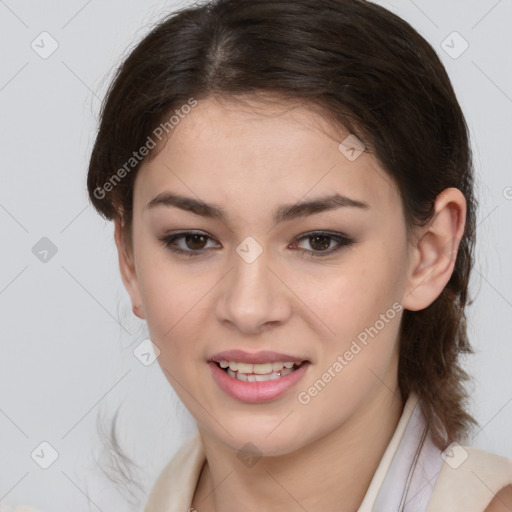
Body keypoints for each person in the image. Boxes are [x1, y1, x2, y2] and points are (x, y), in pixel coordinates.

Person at [85, 0, 512, 510]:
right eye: (193, 240)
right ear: (129, 259)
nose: (248, 308)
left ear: (427, 253)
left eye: (319, 241)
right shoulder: (170, 492)